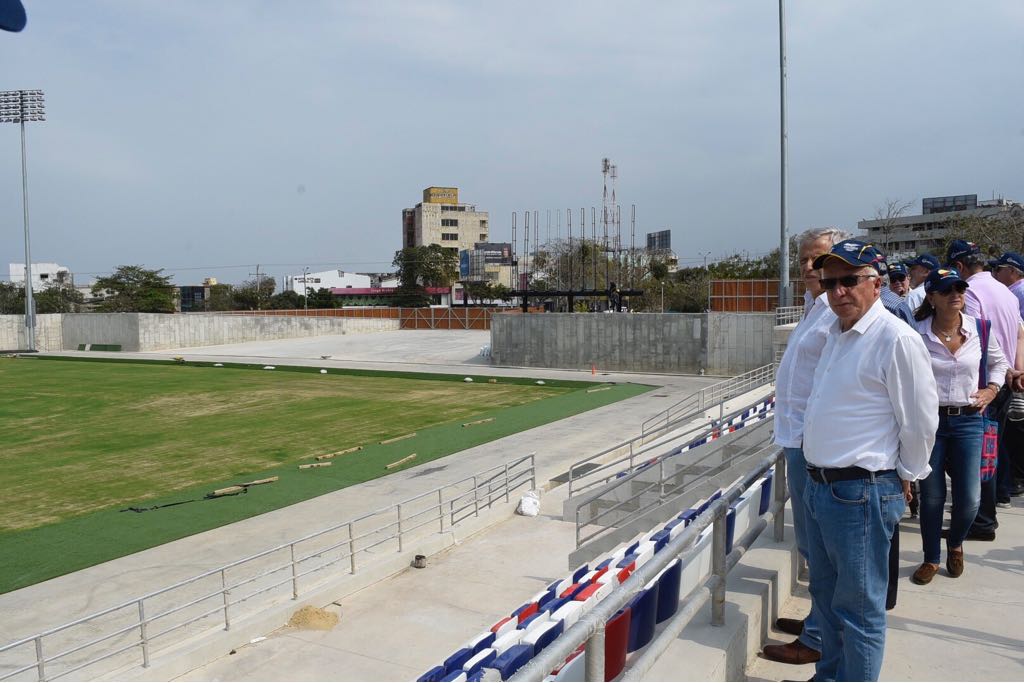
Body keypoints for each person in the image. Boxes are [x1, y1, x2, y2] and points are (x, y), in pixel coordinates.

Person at [802, 239, 937, 682]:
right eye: (830, 282)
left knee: (859, 611)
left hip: (860, 492)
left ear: (876, 284)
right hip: (823, 488)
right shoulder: (837, 335)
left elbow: (919, 421)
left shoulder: (895, 339)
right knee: (827, 598)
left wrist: (907, 475)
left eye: (849, 281)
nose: (838, 291)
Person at [763, 227, 850, 666]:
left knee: (819, 548)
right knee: (810, 547)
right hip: (795, 439)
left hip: (811, 444)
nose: (809, 268)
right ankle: (819, 623)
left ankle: (819, 637)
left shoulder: (838, 313)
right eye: (803, 260)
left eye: (819, 259)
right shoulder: (815, 308)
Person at [910, 268, 1008, 585]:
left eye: (960, 288)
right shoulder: (916, 331)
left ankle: (955, 543)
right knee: (933, 495)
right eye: (948, 289)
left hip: (969, 420)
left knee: (970, 498)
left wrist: (992, 389)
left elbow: (999, 363)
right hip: (931, 422)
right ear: (933, 297)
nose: (956, 294)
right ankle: (930, 558)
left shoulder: (980, 328)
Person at [946, 240, 1024, 532]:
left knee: (976, 456)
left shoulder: (972, 292)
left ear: (959, 267)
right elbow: (1018, 334)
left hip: (983, 385)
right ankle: (982, 516)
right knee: (989, 451)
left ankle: (980, 520)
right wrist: (1016, 370)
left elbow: (975, 338)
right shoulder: (1005, 291)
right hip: (1003, 380)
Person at [989, 252, 1024, 495]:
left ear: (1012, 271)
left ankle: (1011, 482)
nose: (996, 273)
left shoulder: (1017, 292)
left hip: (1008, 372)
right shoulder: (1012, 294)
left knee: (1011, 432)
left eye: (999, 269)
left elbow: (1021, 333)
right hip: (1012, 369)